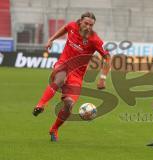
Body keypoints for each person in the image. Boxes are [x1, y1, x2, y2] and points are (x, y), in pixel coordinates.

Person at [32, 12, 111, 141]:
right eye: (86, 23)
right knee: (60, 77)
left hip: (77, 74)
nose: (88, 27)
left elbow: (108, 57)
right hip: (63, 64)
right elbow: (64, 29)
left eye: (91, 25)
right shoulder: (72, 26)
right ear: (80, 22)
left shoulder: (94, 40)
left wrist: (103, 78)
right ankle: (41, 104)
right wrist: (51, 39)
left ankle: (54, 129)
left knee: (69, 105)